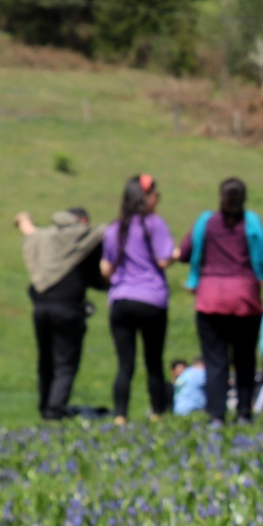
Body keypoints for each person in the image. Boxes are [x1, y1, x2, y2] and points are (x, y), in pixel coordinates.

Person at [176, 177, 263, 426]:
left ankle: (216, 415)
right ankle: (244, 412)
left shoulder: (206, 222)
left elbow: (185, 252)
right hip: (245, 299)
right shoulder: (251, 222)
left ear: (220, 197)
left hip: (211, 299)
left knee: (215, 361)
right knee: (244, 359)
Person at [16, 207, 106, 420]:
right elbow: (96, 277)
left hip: (41, 308)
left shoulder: (45, 238)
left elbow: (29, 231)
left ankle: (45, 406)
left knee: (45, 362)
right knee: (65, 364)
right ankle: (54, 411)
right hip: (68, 309)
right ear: (83, 220)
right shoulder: (83, 239)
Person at [101, 174, 176, 423]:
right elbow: (163, 260)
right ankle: (157, 413)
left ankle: (120, 415)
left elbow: (106, 268)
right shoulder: (154, 224)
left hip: (122, 300)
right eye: (156, 195)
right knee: (154, 362)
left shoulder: (114, 228)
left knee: (125, 364)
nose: (158, 199)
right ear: (145, 198)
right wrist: (178, 253)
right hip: (152, 299)